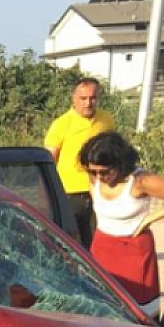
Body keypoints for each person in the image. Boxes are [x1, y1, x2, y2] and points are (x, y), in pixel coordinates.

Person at [78, 130, 164, 316]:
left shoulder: (140, 181)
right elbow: (97, 198)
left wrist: (148, 220)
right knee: (100, 305)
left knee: (136, 311)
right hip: (102, 246)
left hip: (133, 249)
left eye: (105, 172)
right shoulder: (95, 177)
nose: (99, 177)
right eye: (93, 171)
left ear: (120, 163)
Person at [43, 77, 115, 247]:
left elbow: (113, 151)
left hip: (99, 188)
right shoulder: (61, 124)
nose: (88, 103)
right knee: (70, 241)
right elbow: (49, 159)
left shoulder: (106, 120)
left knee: (98, 238)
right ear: (74, 99)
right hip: (70, 192)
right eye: (83, 98)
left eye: (93, 98)